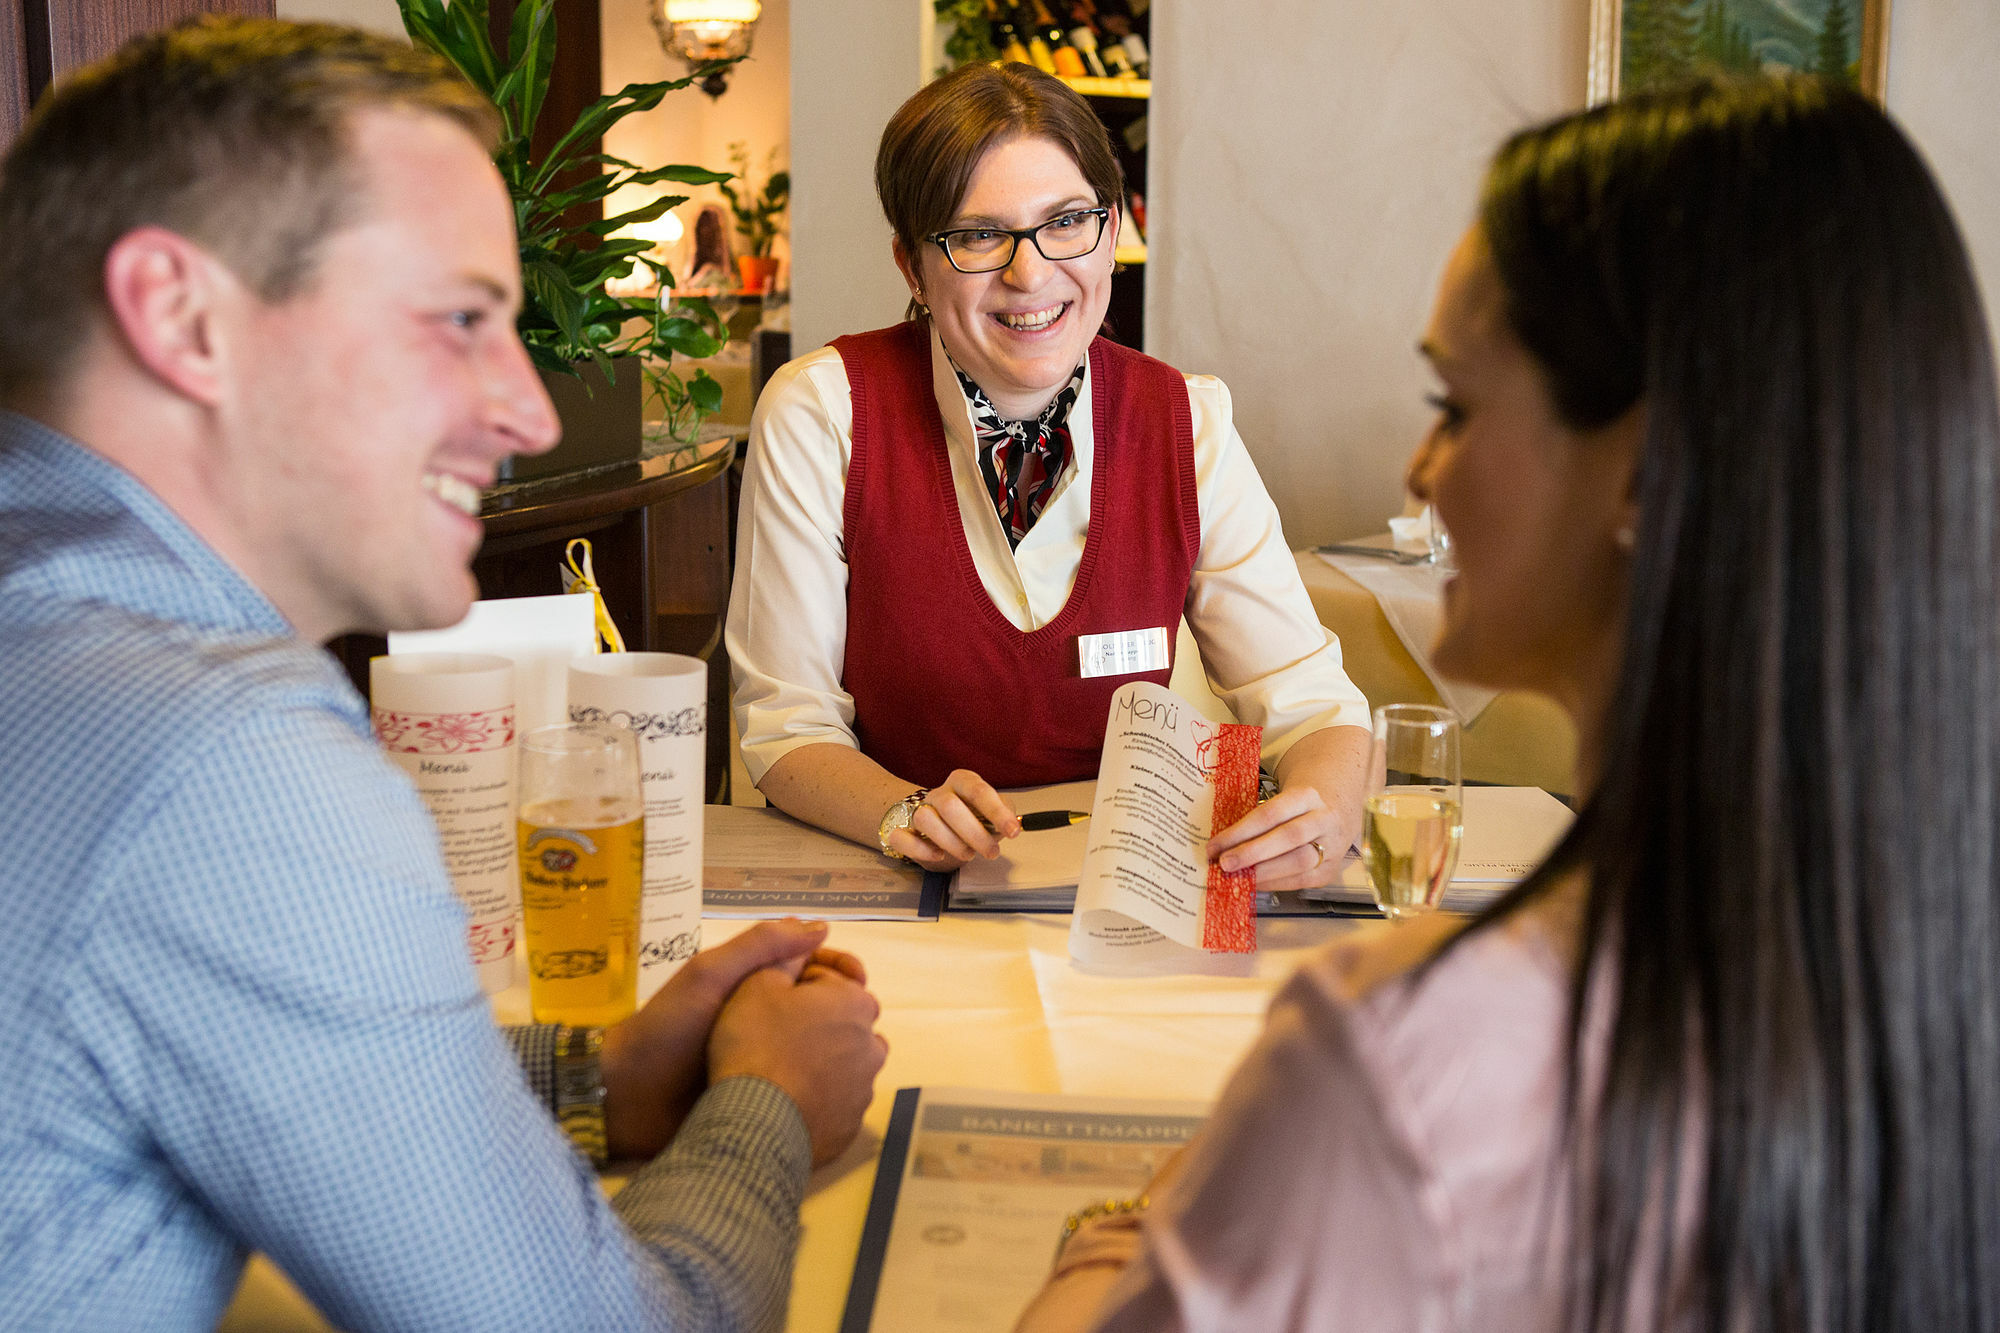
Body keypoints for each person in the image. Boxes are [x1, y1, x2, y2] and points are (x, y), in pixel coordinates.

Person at [1015, 76, 2000, 1332]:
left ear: (1645, 477)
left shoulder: (1407, 1059)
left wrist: (1127, 1224)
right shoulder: (1917, 991)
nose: (1419, 469)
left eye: (1455, 406)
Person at [0, 19, 885, 1331]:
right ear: (185, 319)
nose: (530, 411)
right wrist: (768, 1102)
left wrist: (586, 1072)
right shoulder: (226, 753)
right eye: (462, 318)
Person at [727, 62, 1370, 887]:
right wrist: (902, 811)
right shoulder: (822, 413)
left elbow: (1311, 703)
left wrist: (1323, 810)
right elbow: (787, 729)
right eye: (978, 235)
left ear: (1112, 230)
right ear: (911, 266)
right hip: (902, 892)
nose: (1031, 275)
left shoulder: (1188, 420)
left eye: (1067, 222)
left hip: (1126, 895)